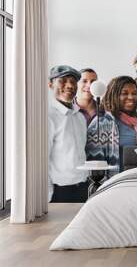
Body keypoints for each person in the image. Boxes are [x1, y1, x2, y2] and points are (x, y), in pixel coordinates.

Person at [86, 76, 137, 174]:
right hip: (117, 183)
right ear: (113, 95)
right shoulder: (102, 122)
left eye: (134, 93)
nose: (131, 97)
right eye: (124, 93)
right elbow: (94, 166)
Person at [48, 65, 88, 202]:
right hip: (59, 191)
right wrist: (47, 195)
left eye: (73, 82)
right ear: (50, 84)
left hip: (83, 187)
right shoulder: (48, 116)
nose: (70, 85)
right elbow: (42, 160)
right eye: (63, 80)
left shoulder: (80, 117)